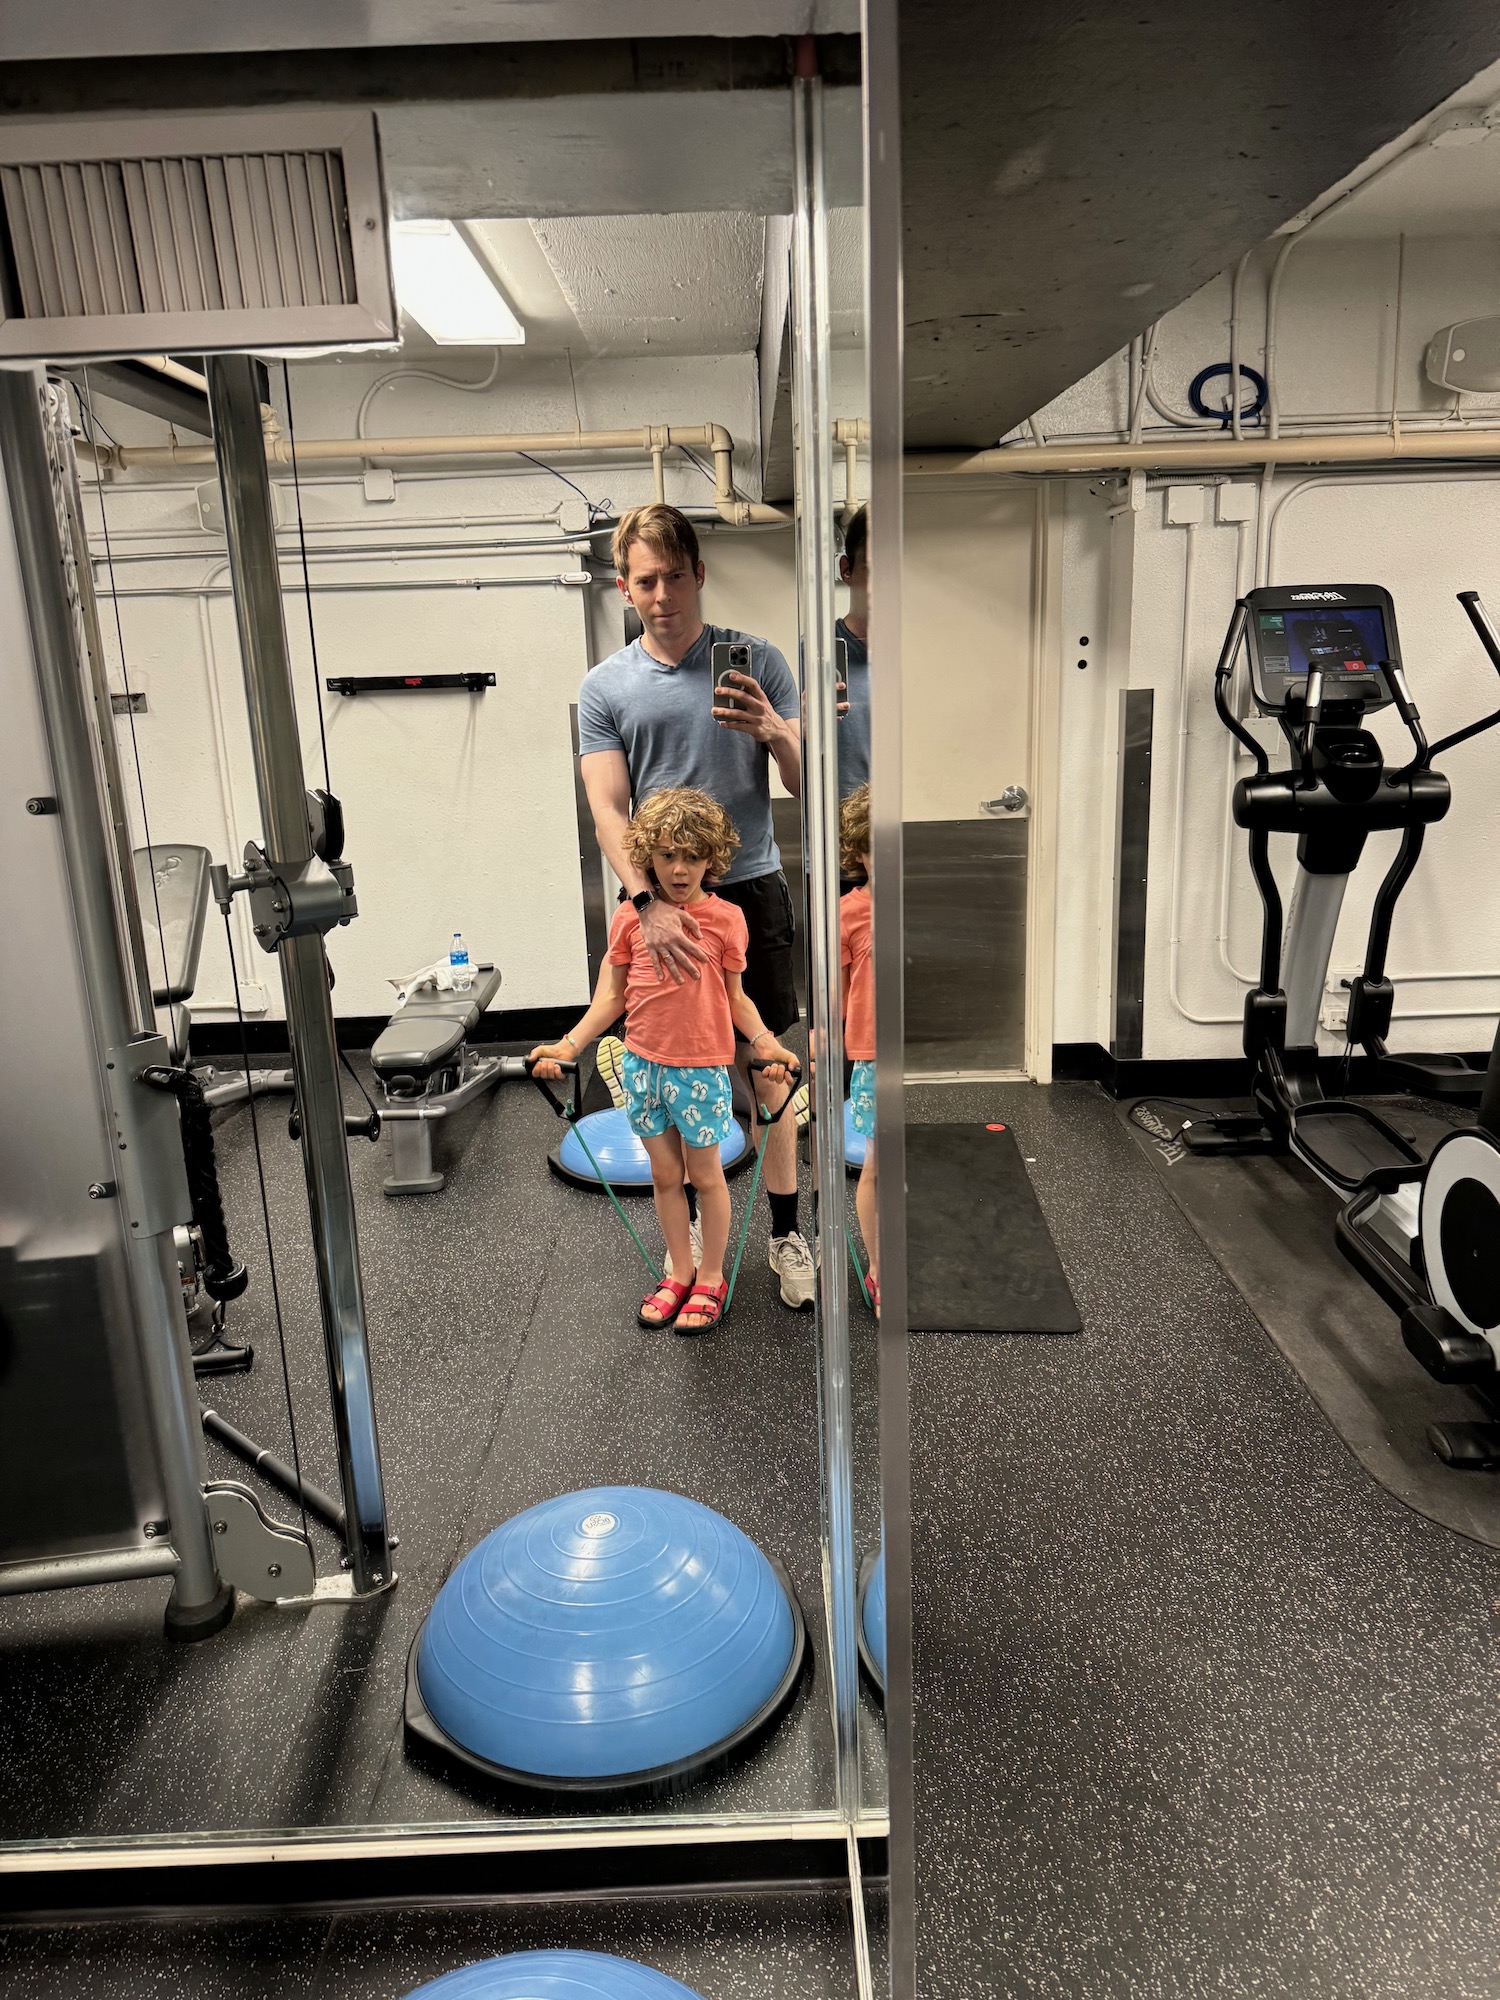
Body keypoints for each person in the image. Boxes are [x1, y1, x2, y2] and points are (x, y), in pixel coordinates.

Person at [577, 502, 814, 1311]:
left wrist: (778, 732)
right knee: (662, 1054)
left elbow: (806, 786)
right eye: (647, 579)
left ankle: (787, 1235)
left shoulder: (761, 661)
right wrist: (646, 901)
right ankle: (689, 1261)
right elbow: (608, 809)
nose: (664, 593)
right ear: (625, 585)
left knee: (769, 1064)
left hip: (747, 886)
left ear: (700, 574)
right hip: (656, 903)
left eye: (677, 575)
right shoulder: (604, 687)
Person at [531, 789, 797, 1334]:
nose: (680, 869)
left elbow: (736, 997)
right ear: (648, 854)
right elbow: (611, 997)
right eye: (669, 854)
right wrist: (568, 1045)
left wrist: (765, 1041)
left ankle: (712, 1276)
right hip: (643, 1066)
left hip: (700, 1071)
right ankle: (680, 1268)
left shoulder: (726, 920)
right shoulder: (631, 919)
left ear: (712, 859)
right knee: (664, 1174)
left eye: (693, 857)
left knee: (706, 1175)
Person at [840, 783, 877, 1312]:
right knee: (880, 1163)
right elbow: (835, 990)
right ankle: (879, 1267)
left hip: (924, 1056)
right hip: (873, 1054)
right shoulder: (849, 912)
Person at [836, 504, 872, 801]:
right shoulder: (816, 652)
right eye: (873, 570)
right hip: (839, 836)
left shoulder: (925, 653)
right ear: (846, 570)